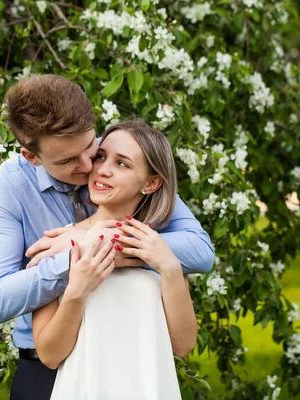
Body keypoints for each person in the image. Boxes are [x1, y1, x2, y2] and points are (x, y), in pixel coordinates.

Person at [0, 74, 214, 400]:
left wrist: (103, 245)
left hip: (139, 374)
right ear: (32, 157)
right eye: (67, 160)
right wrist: (77, 255)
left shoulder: (127, 155)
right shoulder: (12, 190)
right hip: (51, 371)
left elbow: (200, 252)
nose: (92, 165)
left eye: (93, 148)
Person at [32, 119, 195, 400]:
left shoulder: (160, 248)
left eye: (122, 164)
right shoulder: (59, 245)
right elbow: (49, 355)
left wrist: (169, 268)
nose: (102, 170)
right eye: (102, 157)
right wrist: (77, 290)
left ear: (152, 182)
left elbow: (182, 345)